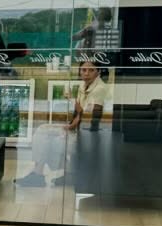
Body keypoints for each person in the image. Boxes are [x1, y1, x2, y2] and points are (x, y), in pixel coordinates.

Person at [15, 59, 109, 187]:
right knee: (43, 129)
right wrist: (70, 123)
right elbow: (79, 112)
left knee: (50, 137)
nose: (86, 73)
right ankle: (42, 172)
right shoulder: (84, 85)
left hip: (88, 134)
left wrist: (70, 126)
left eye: (91, 70)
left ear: (98, 72)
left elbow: (89, 117)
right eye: (84, 70)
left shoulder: (99, 89)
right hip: (79, 127)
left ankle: (39, 174)